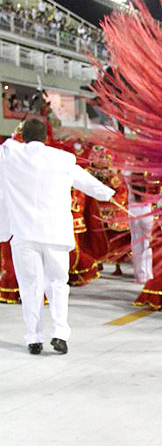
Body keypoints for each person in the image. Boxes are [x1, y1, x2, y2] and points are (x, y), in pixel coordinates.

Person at [0, 116, 115, 354]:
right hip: (55, 234)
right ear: (45, 137)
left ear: (23, 136)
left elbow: (3, 184)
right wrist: (108, 194)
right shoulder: (62, 159)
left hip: (24, 234)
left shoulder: (9, 156)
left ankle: (33, 338)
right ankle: (60, 333)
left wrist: (3, 231)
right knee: (58, 285)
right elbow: (87, 182)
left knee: (30, 286)